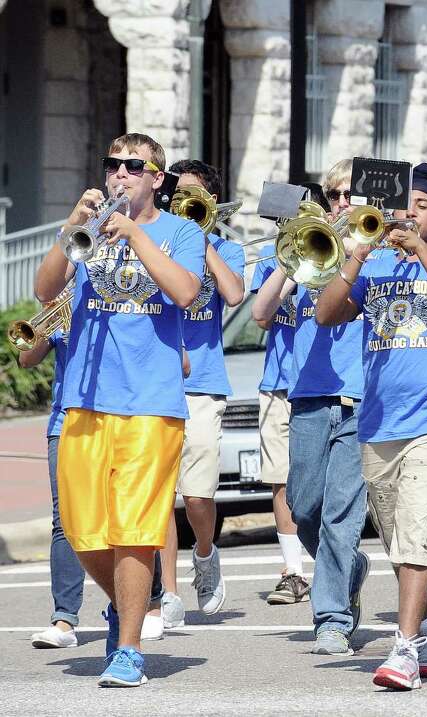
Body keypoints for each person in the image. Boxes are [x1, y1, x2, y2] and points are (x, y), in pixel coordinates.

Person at [34, 132, 205, 686]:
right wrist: (70, 226)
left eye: (134, 166)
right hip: (83, 401)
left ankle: (129, 646)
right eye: (113, 165)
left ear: (157, 177)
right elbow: (44, 292)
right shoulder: (90, 229)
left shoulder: (180, 231)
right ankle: (126, 605)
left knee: (134, 529)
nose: (120, 174)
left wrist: (135, 235)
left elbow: (184, 292)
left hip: (150, 404)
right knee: (83, 533)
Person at [316, 163, 427, 690]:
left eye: (422, 206)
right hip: (381, 421)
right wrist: (358, 252)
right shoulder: (374, 264)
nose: (408, 213)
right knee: (396, 540)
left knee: (418, 534)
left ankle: (404, 647)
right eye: (403, 205)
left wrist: (422, 251)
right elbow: (325, 314)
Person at [251, 159, 369, 656]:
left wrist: (360, 250)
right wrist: (290, 254)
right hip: (308, 393)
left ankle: (332, 618)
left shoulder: (374, 251)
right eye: (335, 194)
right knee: (303, 508)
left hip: (361, 397)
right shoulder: (304, 251)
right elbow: (259, 313)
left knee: (341, 513)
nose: (342, 203)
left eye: (351, 195)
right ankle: (350, 571)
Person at [153, 160, 245, 625]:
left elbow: (233, 295)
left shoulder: (225, 248)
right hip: (158, 381)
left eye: (194, 197)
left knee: (198, 495)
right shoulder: (154, 241)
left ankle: (205, 554)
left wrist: (200, 239)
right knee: (161, 493)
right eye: (178, 195)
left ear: (209, 202)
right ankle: (168, 591)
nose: (182, 204)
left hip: (204, 382)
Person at [250, 213, 309, 606]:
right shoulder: (274, 258)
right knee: (280, 480)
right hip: (278, 381)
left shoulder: (340, 251)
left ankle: (337, 563)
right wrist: (289, 260)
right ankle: (294, 571)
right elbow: (262, 315)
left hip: (320, 384)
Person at [23, 319, 86, 649]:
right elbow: (26, 359)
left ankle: (149, 602)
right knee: (64, 522)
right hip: (64, 423)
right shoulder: (60, 305)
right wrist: (47, 323)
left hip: (113, 417)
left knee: (124, 516)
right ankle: (64, 620)